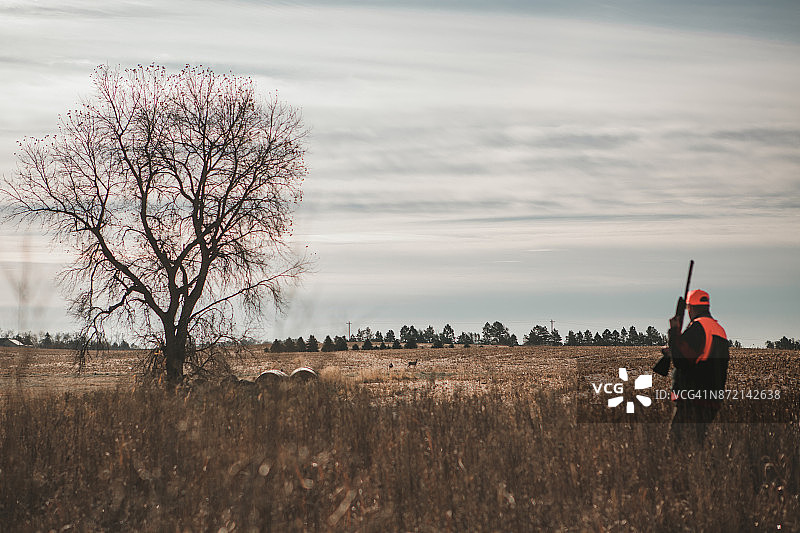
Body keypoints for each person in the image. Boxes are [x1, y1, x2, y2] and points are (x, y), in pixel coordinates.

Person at [667, 289, 729, 444]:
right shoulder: (719, 330)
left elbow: (682, 361)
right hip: (713, 399)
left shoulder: (697, 328)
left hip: (692, 398)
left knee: (675, 446)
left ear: (691, 308)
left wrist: (674, 332)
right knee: (696, 444)